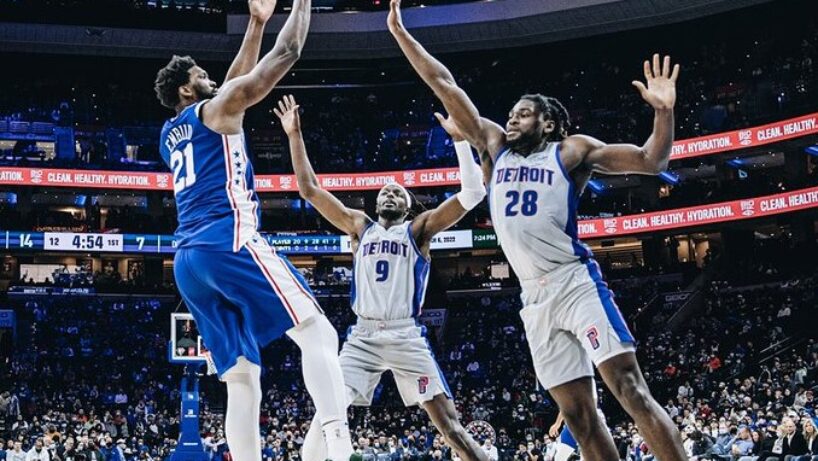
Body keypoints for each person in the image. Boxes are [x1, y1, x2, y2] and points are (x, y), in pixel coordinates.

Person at [386, 1, 686, 460]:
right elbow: (444, 84)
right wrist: (401, 35)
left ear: (547, 122)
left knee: (629, 388)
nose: (511, 119)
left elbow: (652, 161)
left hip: (573, 281)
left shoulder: (570, 151)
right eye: (511, 113)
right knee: (582, 418)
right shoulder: (493, 146)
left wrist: (663, 113)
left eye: (522, 114)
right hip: (533, 298)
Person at [153, 1, 353, 461]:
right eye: (204, 75)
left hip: (188, 261)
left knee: (242, 377)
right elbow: (287, 55)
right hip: (229, 239)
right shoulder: (216, 109)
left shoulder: (170, 133)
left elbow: (231, 86)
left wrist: (257, 22)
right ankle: (338, 438)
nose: (214, 78)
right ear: (188, 87)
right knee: (317, 332)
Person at [272, 95, 487, 461]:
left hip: (406, 333)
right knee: (327, 415)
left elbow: (474, 192)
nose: (389, 192)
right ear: (374, 204)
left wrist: (460, 141)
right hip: (363, 336)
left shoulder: (419, 229)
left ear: (407, 206)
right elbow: (309, 190)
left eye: (398, 192)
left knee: (450, 428)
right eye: (384, 191)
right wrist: (294, 135)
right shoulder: (359, 226)